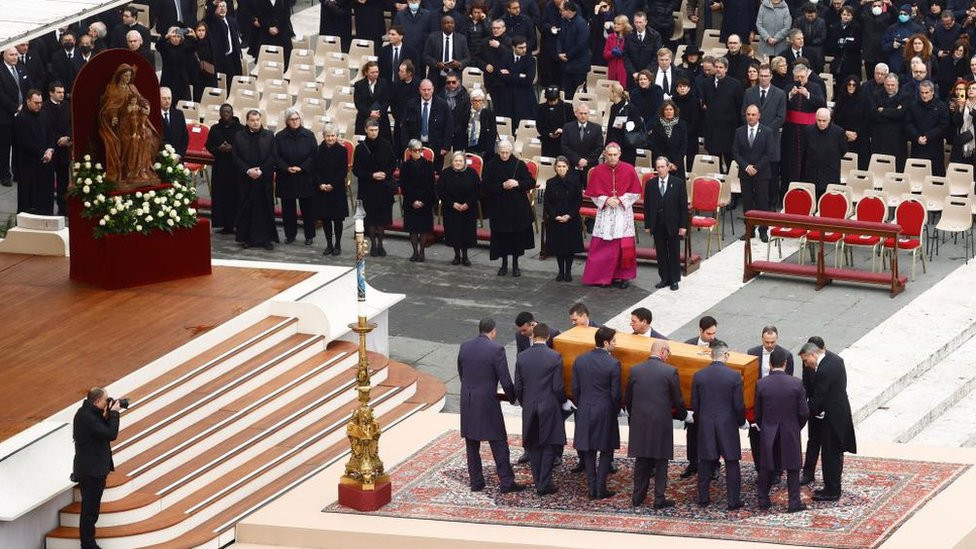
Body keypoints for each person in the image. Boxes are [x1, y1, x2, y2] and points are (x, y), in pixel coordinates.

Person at [457, 318, 524, 493]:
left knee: (472, 444)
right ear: (493, 332)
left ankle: (476, 482)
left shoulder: (465, 346)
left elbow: (461, 373)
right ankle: (506, 482)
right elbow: (505, 378)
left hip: (468, 400)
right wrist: (513, 398)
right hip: (487, 401)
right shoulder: (496, 349)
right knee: (498, 441)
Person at [626, 339, 690, 508]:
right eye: (668, 353)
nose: (668, 357)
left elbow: (629, 398)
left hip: (640, 421)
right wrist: (684, 415)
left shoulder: (635, 370)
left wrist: (634, 417)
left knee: (642, 460)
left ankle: (637, 497)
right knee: (661, 461)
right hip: (661, 422)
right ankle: (658, 498)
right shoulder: (670, 372)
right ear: (663, 351)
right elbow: (677, 399)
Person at [799, 340, 857, 501]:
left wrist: (801, 412)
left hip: (832, 418)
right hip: (831, 413)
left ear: (813, 354)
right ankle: (830, 486)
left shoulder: (825, 369)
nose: (805, 364)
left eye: (805, 360)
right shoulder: (834, 359)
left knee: (830, 455)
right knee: (831, 453)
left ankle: (832, 491)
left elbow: (819, 397)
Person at [514, 323, 568, 496]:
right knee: (549, 445)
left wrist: (526, 403)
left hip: (530, 405)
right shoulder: (555, 357)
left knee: (533, 444)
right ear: (547, 337)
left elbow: (518, 387)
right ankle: (544, 483)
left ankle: (539, 481)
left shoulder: (522, 357)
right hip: (549, 406)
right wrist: (563, 402)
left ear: (532, 336)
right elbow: (558, 387)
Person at [691, 340, 746, 509]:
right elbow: (738, 405)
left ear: (711, 354)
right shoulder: (734, 376)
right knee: (731, 461)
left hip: (706, 423)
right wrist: (740, 422)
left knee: (705, 461)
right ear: (726, 355)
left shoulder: (699, 375)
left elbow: (695, 404)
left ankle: (703, 498)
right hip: (727, 424)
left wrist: (702, 420)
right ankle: (733, 501)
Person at [755, 347, 809, 512]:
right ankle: (794, 503)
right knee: (793, 466)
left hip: (768, 430)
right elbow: (804, 412)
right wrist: (795, 426)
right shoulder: (796, 383)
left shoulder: (761, 384)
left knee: (766, 465)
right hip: (790, 429)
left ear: (770, 364)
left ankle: (763, 499)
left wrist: (764, 426)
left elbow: (758, 412)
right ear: (785, 363)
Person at [581, 143, 642, 289]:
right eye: (610, 155)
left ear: (620, 154)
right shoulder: (598, 171)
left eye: (615, 154)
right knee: (603, 247)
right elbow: (593, 195)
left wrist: (620, 200)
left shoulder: (629, 169)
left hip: (623, 212)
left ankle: (623, 277)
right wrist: (606, 200)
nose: (613, 157)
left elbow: (636, 193)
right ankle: (602, 277)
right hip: (606, 213)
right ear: (605, 155)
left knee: (624, 247)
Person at [572, 326, 622, 499]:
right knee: (606, 449)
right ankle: (601, 488)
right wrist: (616, 410)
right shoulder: (613, 363)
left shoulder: (580, 360)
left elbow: (575, 388)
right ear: (606, 342)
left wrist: (582, 404)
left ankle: (592, 487)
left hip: (585, 408)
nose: (616, 344)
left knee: (589, 450)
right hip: (605, 410)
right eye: (614, 341)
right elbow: (615, 393)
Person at [72, 387, 121, 549]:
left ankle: (88, 542)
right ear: (98, 401)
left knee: (91, 509)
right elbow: (110, 434)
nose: (108, 401)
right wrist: (114, 414)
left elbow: (102, 432)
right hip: (91, 472)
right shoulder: (88, 417)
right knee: (90, 511)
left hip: (91, 468)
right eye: (106, 399)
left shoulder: (88, 413)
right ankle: (88, 544)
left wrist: (107, 413)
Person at [746, 325, 795, 477]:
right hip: (758, 401)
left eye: (772, 342)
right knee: (756, 435)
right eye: (767, 342)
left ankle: (777, 470)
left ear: (777, 338)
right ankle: (760, 468)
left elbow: (787, 381)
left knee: (777, 437)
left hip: (777, 403)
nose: (769, 345)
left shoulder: (786, 355)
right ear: (762, 339)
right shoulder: (752, 353)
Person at [482, 139, 535, 276]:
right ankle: (504, 264)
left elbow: (530, 182)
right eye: (502, 152)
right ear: (498, 152)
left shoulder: (519, 164)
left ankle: (515, 264)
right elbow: (485, 186)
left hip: (517, 207)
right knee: (502, 237)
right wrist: (501, 186)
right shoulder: (491, 165)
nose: (504, 155)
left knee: (516, 238)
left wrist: (517, 183)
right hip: (499, 207)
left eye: (507, 152)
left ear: (511, 151)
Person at [233, 110, 279, 250]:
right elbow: (236, 157)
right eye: (252, 120)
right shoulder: (239, 136)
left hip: (263, 179)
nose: (255, 122)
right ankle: (247, 238)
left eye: (257, 120)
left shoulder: (269, 135)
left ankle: (266, 239)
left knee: (265, 208)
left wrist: (261, 171)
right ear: (247, 121)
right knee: (247, 209)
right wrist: (248, 170)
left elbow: (273, 156)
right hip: (246, 179)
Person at [780, 62, 826, 198]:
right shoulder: (789, 87)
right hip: (791, 131)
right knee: (790, 162)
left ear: (807, 75)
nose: (799, 80)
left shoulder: (815, 87)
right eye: (797, 77)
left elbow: (821, 103)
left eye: (802, 77)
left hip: (809, 130)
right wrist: (789, 96)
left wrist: (808, 95)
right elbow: (781, 104)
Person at [643, 156, 688, 291]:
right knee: (661, 252)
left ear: (668, 167)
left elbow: (683, 207)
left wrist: (683, 226)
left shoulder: (678, 183)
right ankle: (664, 278)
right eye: (658, 167)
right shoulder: (650, 184)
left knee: (674, 251)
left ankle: (674, 279)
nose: (661, 170)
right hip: (657, 223)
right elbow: (647, 206)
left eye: (663, 167)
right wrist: (647, 225)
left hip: (673, 223)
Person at [275, 108, 318, 246]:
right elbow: (276, 156)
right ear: (287, 121)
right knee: (288, 209)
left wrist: (302, 167)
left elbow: (313, 155)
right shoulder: (280, 136)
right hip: (287, 176)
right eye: (292, 119)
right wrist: (286, 167)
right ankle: (290, 235)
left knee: (308, 209)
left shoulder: (309, 135)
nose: (294, 121)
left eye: (297, 119)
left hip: (304, 176)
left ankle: (309, 235)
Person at [733, 105, 776, 241]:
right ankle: (749, 230)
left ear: (759, 116)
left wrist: (756, 167)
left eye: (753, 114)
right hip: (745, 173)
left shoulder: (767, 131)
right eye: (748, 114)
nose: (750, 117)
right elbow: (735, 152)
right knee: (747, 202)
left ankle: (763, 230)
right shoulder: (739, 131)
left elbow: (769, 153)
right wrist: (746, 167)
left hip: (761, 173)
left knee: (763, 202)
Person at [354, 119, 397, 256]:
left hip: (383, 187)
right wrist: (372, 175)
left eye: (376, 130)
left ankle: (381, 244)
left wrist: (386, 174)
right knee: (371, 219)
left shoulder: (386, 145)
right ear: (366, 130)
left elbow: (393, 164)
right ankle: (372, 244)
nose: (374, 132)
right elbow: (356, 170)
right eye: (371, 130)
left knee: (382, 219)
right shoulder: (360, 148)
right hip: (368, 188)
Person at [543, 156, 584, 282]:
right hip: (556, 218)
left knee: (569, 247)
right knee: (558, 247)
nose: (561, 169)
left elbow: (578, 200)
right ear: (555, 167)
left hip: (571, 218)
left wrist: (569, 215)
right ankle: (560, 271)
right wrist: (555, 215)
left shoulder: (575, 181)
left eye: (563, 166)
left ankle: (568, 272)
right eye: (559, 166)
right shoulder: (550, 183)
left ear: (568, 167)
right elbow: (547, 202)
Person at [13, 89, 55, 215]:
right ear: (28, 101)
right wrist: (43, 153)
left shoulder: (44, 114)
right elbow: (24, 142)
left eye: (41, 102)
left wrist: (50, 149)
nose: (39, 105)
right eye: (36, 103)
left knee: (45, 195)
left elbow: (50, 133)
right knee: (28, 198)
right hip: (28, 165)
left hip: (45, 163)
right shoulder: (21, 118)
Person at [205, 103, 243, 235]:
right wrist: (218, 149)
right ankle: (225, 225)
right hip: (220, 166)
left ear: (232, 113)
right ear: (220, 114)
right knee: (221, 196)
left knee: (236, 195)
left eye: (228, 111)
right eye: (223, 111)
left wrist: (232, 149)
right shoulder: (215, 129)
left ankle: (237, 224)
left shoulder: (240, 129)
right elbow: (209, 145)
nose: (226, 113)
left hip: (236, 168)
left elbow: (244, 147)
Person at [400, 79, 453, 174]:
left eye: (429, 89)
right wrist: (406, 146)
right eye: (424, 90)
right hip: (415, 147)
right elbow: (404, 127)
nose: (426, 92)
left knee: (433, 176)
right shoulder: (411, 104)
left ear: (433, 89)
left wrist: (445, 147)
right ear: (419, 90)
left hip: (436, 148)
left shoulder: (442, 105)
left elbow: (448, 127)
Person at [312, 125, 349, 256]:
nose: (331, 138)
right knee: (326, 218)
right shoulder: (317, 150)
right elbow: (314, 170)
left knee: (337, 219)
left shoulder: (342, 151)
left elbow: (343, 170)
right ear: (324, 136)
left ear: (336, 136)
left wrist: (332, 184)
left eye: (333, 135)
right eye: (328, 136)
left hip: (336, 188)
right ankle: (328, 244)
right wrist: (321, 184)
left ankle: (338, 244)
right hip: (322, 189)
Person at [702, 57, 744, 171]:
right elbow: (705, 103)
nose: (718, 69)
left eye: (721, 67)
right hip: (712, 129)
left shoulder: (735, 84)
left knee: (730, 159)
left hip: (729, 130)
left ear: (726, 69)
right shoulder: (706, 83)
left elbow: (740, 106)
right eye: (716, 67)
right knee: (714, 162)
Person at [438, 151, 480, 265]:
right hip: (451, 208)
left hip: (468, 209)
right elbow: (440, 191)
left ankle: (465, 256)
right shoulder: (446, 173)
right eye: (456, 161)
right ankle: (456, 255)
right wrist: (452, 204)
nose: (458, 163)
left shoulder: (472, 173)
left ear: (464, 162)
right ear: (452, 162)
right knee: (454, 232)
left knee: (466, 232)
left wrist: (468, 203)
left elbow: (478, 190)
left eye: (460, 161)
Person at [400, 139, 436, 261]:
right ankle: (415, 252)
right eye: (415, 150)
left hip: (425, 201)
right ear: (410, 151)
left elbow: (430, 185)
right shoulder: (405, 166)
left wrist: (423, 201)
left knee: (423, 228)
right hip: (411, 201)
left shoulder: (429, 165)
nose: (418, 153)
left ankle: (422, 252)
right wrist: (413, 201)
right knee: (413, 228)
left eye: (420, 150)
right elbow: (404, 185)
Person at [1, 48, 32, 188]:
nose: (15, 57)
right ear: (4, 55)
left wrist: (25, 105)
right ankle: (4, 175)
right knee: (4, 147)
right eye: (12, 55)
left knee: (19, 145)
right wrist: (15, 107)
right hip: (5, 116)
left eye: (16, 55)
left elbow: (28, 88)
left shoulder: (22, 68)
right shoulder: (1, 70)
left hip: (22, 115)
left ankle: (17, 173)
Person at [906, 80, 951, 176]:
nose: (924, 95)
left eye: (926, 92)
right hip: (917, 146)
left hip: (934, 147)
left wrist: (928, 136)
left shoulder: (941, 106)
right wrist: (917, 137)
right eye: (922, 92)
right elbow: (908, 123)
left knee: (935, 175)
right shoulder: (913, 105)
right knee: (917, 175)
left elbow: (944, 126)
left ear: (932, 92)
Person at [802, 108, 847, 196]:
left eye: (824, 121)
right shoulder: (808, 130)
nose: (821, 123)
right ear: (815, 119)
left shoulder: (838, 132)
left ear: (829, 120)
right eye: (819, 120)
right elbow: (804, 150)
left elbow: (843, 150)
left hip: (830, 172)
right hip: (812, 172)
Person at [43, 81, 71, 216]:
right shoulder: (45, 107)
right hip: (52, 149)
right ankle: (47, 209)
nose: (62, 95)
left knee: (64, 181)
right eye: (58, 92)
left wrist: (68, 138)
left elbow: (72, 123)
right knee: (48, 181)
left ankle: (63, 207)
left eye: (63, 92)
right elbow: (46, 128)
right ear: (51, 93)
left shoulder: (67, 106)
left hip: (65, 150)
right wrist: (58, 140)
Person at [833, 76, 873, 170]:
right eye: (849, 84)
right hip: (844, 137)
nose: (851, 87)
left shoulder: (864, 100)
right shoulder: (841, 99)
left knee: (860, 166)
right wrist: (845, 132)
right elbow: (836, 119)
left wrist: (856, 133)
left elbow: (867, 119)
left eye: (854, 85)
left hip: (860, 138)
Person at [870, 74, 908, 170]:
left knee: (897, 167)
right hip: (880, 137)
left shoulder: (905, 96)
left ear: (897, 84)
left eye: (893, 85)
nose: (890, 87)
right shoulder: (876, 94)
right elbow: (873, 114)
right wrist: (894, 111)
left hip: (897, 138)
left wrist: (883, 110)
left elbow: (901, 114)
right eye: (888, 85)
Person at [423, 15, 470, 88]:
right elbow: (425, 56)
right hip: (436, 76)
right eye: (447, 23)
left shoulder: (461, 39)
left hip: (454, 77)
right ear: (441, 25)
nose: (450, 25)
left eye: (452, 23)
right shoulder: (432, 38)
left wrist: (459, 64)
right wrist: (436, 64)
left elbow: (467, 58)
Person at [498, 37, 536, 126]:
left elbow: (529, 79)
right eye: (521, 48)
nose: (524, 50)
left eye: (525, 47)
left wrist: (510, 74)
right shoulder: (505, 59)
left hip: (525, 96)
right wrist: (519, 75)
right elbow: (502, 77)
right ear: (513, 47)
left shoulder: (530, 60)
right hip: (508, 95)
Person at [556, 2, 591, 99]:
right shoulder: (564, 21)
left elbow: (581, 44)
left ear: (568, 11)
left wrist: (567, 55)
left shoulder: (581, 23)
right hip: (566, 64)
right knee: (567, 92)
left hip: (579, 64)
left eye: (561, 10)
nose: (560, 13)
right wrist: (559, 52)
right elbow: (559, 38)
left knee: (579, 94)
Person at [352, 61, 392, 142]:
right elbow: (358, 103)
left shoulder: (383, 83)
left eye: (377, 72)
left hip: (381, 118)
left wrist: (378, 112)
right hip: (364, 118)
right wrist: (370, 113)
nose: (375, 74)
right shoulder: (359, 85)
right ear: (366, 72)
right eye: (372, 72)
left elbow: (387, 100)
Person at [560, 103, 603, 177]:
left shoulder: (596, 128)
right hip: (572, 165)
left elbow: (599, 147)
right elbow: (564, 146)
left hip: (590, 166)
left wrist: (587, 160)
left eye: (585, 113)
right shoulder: (567, 127)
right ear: (576, 113)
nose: (583, 116)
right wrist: (577, 160)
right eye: (581, 113)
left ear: (589, 114)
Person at [623, 12, 662, 88]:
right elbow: (625, 55)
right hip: (633, 75)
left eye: (640, 22)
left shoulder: (655, 36)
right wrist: (633, 72)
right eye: (636, 22)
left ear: (646, 22)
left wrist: (645, 73)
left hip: (649, 75)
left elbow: (656, 56)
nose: (638, 25)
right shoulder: (628, 35)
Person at [156, 27, 195, 103]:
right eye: (174, 36)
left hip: (182, 80)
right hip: (168, 79)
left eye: (178, 36)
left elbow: (195, 46)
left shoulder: (184, 46)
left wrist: (194, 37)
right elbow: (158, 45)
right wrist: (167, 35)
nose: (176, 39)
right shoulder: (165, 47)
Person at [536, 85, 574, 157]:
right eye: (550, 101)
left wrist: (563, 130)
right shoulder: (541, 108)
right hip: (547, 142)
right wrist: (548, 134)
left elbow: (573, 125)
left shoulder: (567, 107)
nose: (552, 103)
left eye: (554, 100)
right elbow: (539, 126)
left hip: (564, 142)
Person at [209, 1, 243, 80]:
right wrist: (214, 4)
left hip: (231, 57)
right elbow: (209, 14)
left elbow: (235, 40)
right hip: (220, 59)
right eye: (219, 6)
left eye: (224, 6)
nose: (222, 8)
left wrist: (239, 53)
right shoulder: (213, 23)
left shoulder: (232, 21)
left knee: (232, 81)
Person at [462, 88, 497, 158]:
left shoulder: (489, 114)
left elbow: (493, 132)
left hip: (485, 148)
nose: (477, 103)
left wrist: (488, 150)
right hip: (469, 148)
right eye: (475, 100)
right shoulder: (467, 113)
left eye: (480, 100)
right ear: (471, 102)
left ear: (483, 101)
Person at [441, 71, 471, 150]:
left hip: (459, 134)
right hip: (443, 132)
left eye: (453, 82)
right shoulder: (441, 96)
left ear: (458, 82)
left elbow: (465, 117)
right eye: (448, 82)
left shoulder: (465, 97)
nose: (451, 85)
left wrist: (454, 131)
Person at [192, 22, 218, 102]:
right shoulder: (192, 42)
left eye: (203, 30)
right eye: (199, 30)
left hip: (209, 74)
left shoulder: (210, 42)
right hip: (197, 75)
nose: (201, 32)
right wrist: (195, 40)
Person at [160, 87, 189, 158]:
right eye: (164, 98)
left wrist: (179, 155)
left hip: (177, 157)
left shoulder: (179, 114)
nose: (167, 101)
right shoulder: (154, 115)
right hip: (160, 158)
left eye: (169, 98)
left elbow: (185, 137)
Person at [603, 15, 631, 87]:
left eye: (618, 24)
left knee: (623, 91)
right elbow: (605, 54)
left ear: (624, 25)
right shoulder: (610, 37)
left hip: (624, 69)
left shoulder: (629, 38)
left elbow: (632, 54)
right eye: (615, 23)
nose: (615, 25)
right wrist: (612, 53)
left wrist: (622, 53)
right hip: (612, 69)